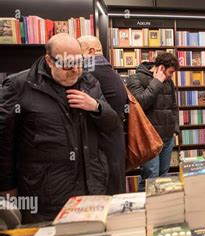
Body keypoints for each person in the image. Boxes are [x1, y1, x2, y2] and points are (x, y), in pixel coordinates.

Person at [0, 33, 118, 223]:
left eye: (79, 63)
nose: (74, 71)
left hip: (90, 188)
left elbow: (112, 125)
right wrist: (7, 186)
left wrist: (97, 107)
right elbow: (4, 141)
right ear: (50, 60)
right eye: (67, 65)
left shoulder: (90, 82)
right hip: (46, 195)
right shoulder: (18, 85)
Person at [78, 35, 128, 195]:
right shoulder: (109, 71)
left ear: (91, 51)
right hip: (114, 142)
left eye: (79, 52)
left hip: (103, 146)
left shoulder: (91, 71)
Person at [126, 52, 179, 190]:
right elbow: (140, 103)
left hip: (167, 137)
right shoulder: (135, 79)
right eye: (170, 72)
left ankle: (160, 207)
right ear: (161, 68)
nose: (171, 76)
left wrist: (175, 129)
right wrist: (156, 82)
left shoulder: (169, 82)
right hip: (148, 138)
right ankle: (146, 208)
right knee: (151, 176)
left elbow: (173, 106)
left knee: (162, 176)